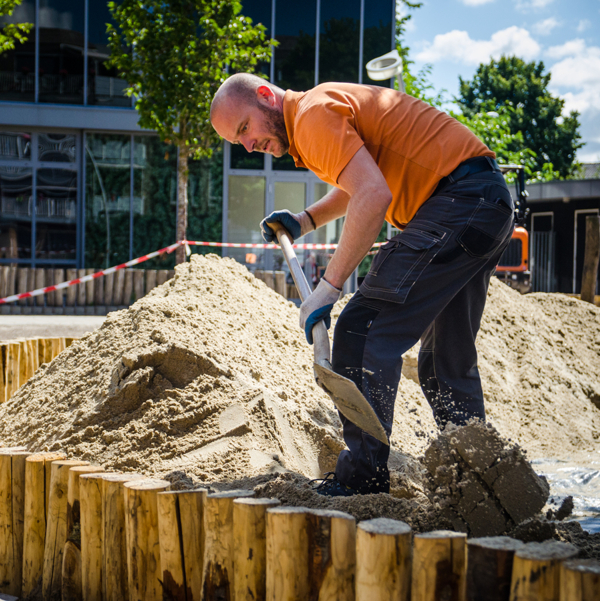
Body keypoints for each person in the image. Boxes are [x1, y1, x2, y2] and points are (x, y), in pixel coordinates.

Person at [209, 73, 515, 496]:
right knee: (445, 361)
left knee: (361, 329)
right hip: (486, 203)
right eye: (237, 142)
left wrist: (328, 289)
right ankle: (484, 484)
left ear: (265, 97)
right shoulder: (315, 114)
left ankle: (361, 482)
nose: (248, 145)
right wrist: (306, 220)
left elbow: (373, 196)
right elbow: (363, 179)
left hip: (458, 203)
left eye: (245, 128)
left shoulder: (311, 116)